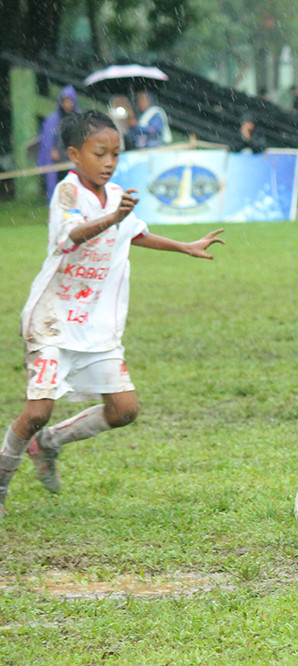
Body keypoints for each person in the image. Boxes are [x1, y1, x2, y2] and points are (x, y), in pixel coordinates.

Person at [0, 111, 225, 521]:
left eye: (116, 154)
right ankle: (1, 481)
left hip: (97, 324)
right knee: (36, 411)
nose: (109, 162)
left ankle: (49, 444)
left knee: (124, 410)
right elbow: (72, 235)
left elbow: (134, 232)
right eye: (99, 153)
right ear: (74, 155)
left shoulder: (116, 195)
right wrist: (113, 218)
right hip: (53, 320)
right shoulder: (67, 194)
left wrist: (184, 246)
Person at [37, 85, 78, 200]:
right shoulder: (52, 120)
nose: (67, 104)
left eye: (69, 101)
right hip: (57, 160)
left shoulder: (79, 118)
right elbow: (47, 140)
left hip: (73, 159)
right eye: (65, 101)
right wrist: (52, 151)